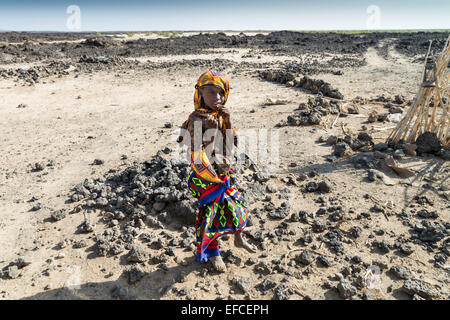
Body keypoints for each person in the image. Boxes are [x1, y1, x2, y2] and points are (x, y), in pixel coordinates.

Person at [179, 70, 255, 272]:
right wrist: (206, 133)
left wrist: (227, 121)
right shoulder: (196, 118)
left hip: (224, 171)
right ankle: (213, 253)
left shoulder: (221, 115)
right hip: (206, 176)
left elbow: (232, 144)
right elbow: (191, 150)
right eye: (211, 92)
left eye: (221, 93)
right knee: (211, 213)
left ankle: (239, 237)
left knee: (236, 204)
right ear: (200, 92)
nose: (217, 98)